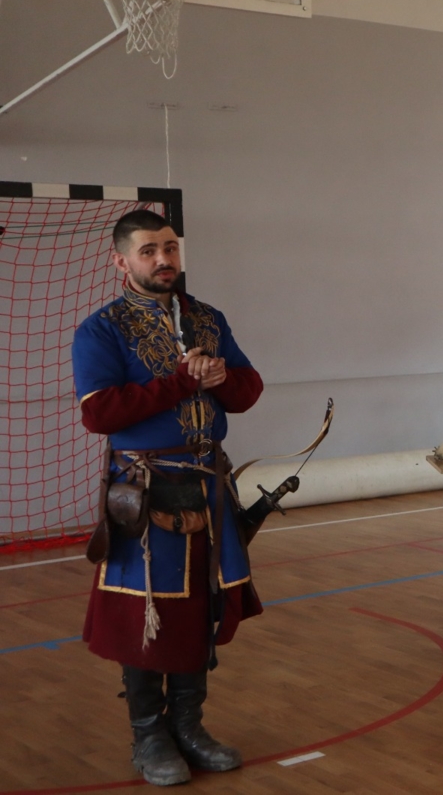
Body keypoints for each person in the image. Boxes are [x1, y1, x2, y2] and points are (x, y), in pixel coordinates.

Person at [72, 209, 264, 787]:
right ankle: (149, 736)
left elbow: (247, 391)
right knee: (145, 614)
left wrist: (220, 377)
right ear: (121, 261)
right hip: (145, 491)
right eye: (149, 250)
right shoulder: (101, 330)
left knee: (201, 606)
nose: (163, 259)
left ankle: (189, 727)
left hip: (207, 484)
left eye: (170, 248)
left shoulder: (207, 318)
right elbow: (100, 413)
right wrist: (182, 381)